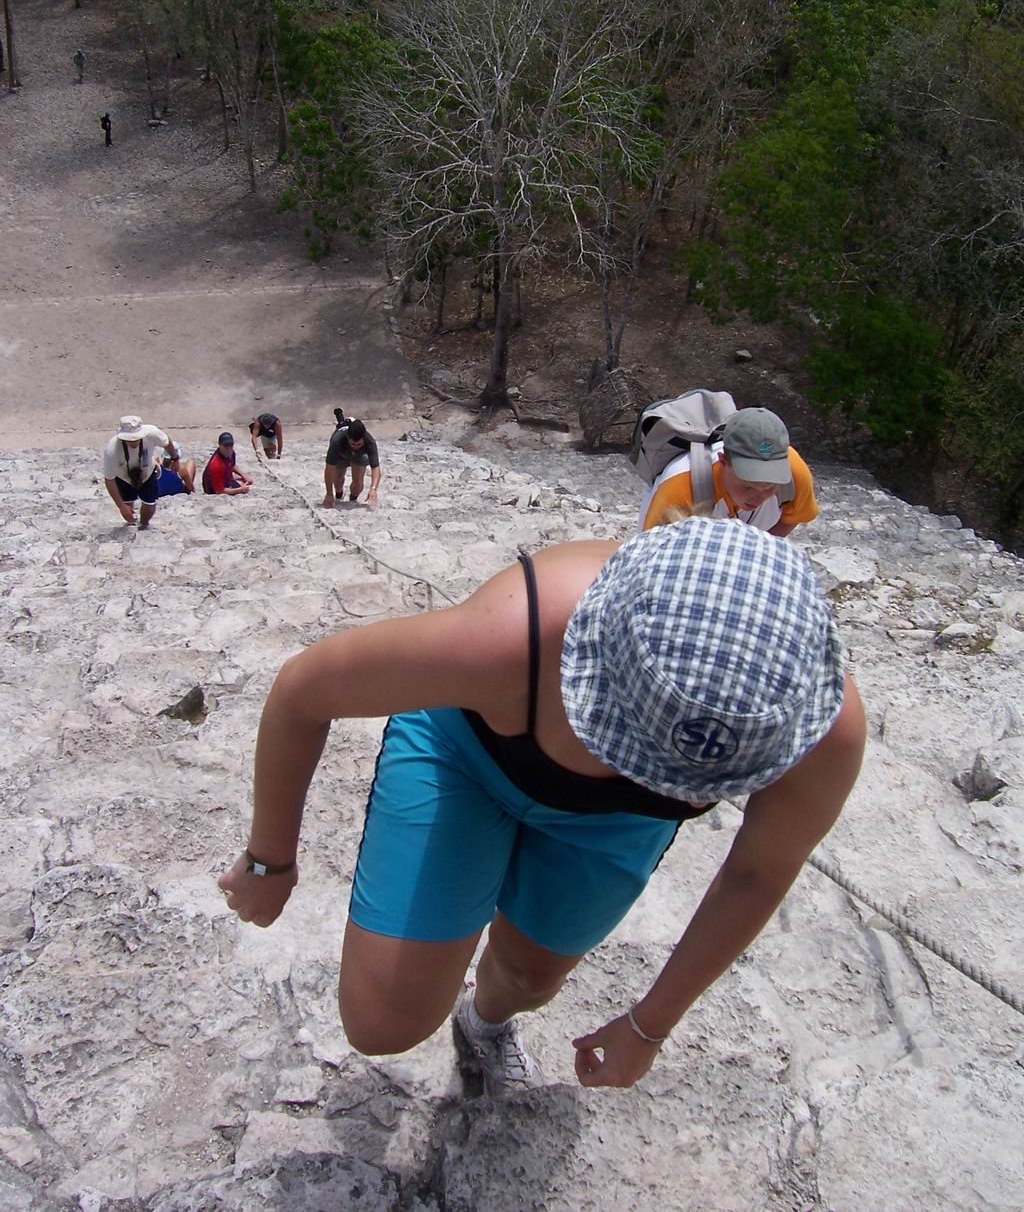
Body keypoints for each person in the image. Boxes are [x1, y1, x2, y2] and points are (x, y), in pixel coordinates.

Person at [219, 517, 865, 1096]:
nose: (689, 795)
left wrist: (651, 1024)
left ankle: (484, 1022)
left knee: (531, 977)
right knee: (383, 1020)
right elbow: (303, 690)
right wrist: (270, 860)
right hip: (466, 756)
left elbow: (757, 872)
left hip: (616, 823)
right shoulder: (514, 637)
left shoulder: (815, 727)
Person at [639, 407, 818, 537]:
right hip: (686, 521)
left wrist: (754, 553)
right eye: (748, 486)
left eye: (769, 487)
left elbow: (793, 516)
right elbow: (650, 555)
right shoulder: (679, 487)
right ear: (723, 462)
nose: (758, 497)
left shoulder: (794, 473)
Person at [102, 415, 180, 528]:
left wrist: (175, 459)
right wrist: (121, 506)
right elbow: (109, 479)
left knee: (150, 506)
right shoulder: (112, 449)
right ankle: (131, 523)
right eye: (129, 439)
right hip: (124, 476)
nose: (133, 441)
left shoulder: (152, 433)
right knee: (127, 507)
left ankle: (144, 524)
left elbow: (166, 443)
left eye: (136, 438)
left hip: (147, 472)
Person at [323, 418, 380, 507]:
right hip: (341, 453)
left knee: (358, 484)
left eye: (359, 444)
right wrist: (329, 493)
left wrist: (373, 489)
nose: (355, 446)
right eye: (353, 444)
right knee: (338, 479)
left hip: (360, 455)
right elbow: (329, 469)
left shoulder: (370, 442)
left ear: (363, 439)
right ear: (348, 438)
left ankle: (352, 500)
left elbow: (375, 467)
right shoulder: (337, 441)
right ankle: (339, 495)